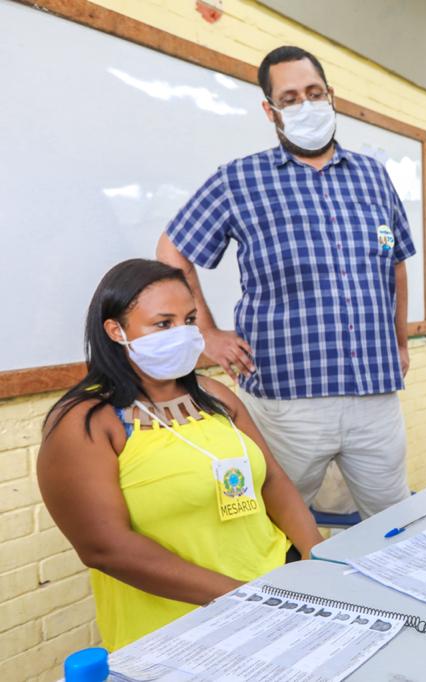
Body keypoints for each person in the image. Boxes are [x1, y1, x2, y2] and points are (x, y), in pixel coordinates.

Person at [157, 46, 415, 516]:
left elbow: (396, 262)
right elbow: (173, 249)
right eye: (291, 98)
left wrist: (400, 342)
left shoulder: (374, 176)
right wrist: (206, 334)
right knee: (278, 527)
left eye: (314, 93)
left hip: (375, 395)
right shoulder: (239, 179)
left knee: (393, 521)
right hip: (286, 403)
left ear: (331, 96)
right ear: (269, 109)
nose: (306, 105)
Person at [36, 259, 323, 651]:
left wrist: (317, 559)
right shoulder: (85, 422)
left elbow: (272, 479)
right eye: (163, 323)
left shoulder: (214, 395)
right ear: (115, 330)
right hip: (180, 629)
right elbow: (105, 548)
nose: (184, 333)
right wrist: (248, 599)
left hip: (280, 592)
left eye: (189, 320)